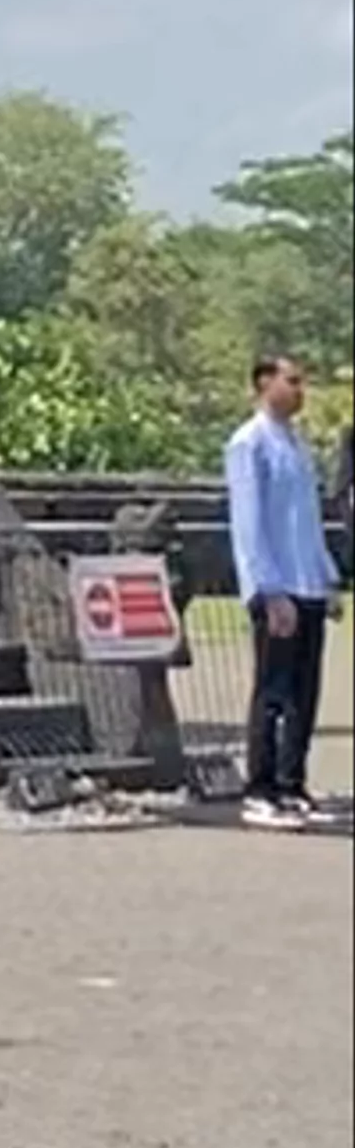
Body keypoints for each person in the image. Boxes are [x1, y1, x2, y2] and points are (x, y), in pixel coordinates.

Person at [224, 351, 337, 823]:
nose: (300, 389)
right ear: (264, 383)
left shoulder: (297, 443)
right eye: (291, 380)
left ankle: (293, 783)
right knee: (272, 690)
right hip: (277, 586)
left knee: (304, 691)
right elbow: (248, 525)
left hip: (306, 580)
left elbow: (307, 522)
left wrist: (326, 577)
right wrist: (269, 590)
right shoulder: (249, 444)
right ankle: (260, 787)